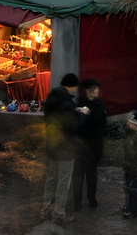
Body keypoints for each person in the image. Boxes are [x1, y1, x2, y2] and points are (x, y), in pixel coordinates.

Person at [41, 74, 80, 224]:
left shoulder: (51, 99)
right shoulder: (68, 104)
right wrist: (81, 115)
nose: (75, 89)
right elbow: (73, 127)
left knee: (51, 178)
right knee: (63, 181)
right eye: (75, 86)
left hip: (51, 145)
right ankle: (58, 214)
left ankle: (45, 211)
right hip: (65, 148)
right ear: (70, 86)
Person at [71, 78, 108, 211]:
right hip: (82, 144)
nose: (98, 91)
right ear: (89, 90)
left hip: (93, 145)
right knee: (79, 174)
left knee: (91, 174)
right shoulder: (80, 103)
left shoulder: (99, 104)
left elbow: (102, 125)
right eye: (96, 88)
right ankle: (77, 201)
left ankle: (91, 198)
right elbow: (77, 125)